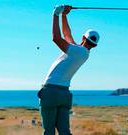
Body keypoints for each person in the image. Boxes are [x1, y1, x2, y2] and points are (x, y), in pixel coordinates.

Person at [38, 5, 100, 135]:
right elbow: (67, 35)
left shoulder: (77, 51)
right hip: (64, 94)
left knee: (49, 131)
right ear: (94, 45)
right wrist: (64, 15)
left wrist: (55, 14)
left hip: (51, 91)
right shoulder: (83, 53)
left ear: (83, 37)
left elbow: (56, 38)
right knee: (64, 131)